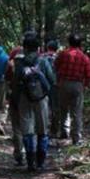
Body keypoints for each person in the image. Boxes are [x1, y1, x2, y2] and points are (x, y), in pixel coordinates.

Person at [15, 32, 53, 171]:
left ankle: (30, 163)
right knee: (42, 131)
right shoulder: (43, 61)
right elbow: (51, 79)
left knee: (27, 131)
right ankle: (41, 163)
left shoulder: (19, 62)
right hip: (41, 98)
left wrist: (14, 99)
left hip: (24, 98)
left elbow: (15, 82)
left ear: (24, 48)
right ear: (38, 49)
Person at [54, 34, 90, 145]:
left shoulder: (63, 54)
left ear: (69, 42)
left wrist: (60, 77)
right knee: (77, 112)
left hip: (64, 83)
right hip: (77, 85)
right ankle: (76, 138)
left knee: (64, 109)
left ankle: (64, 132)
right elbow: (89, 73)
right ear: (80, 44)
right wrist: (85, 85)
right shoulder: (84, 57)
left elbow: (56, 65)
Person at [5, 42, 25, 165]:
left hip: (15, 95)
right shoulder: (37, 57)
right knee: (30, 125)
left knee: (16, 127)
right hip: (32, 97)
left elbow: (7, 75)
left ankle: (19, 154)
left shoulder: (14, 55)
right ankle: (31, 154)